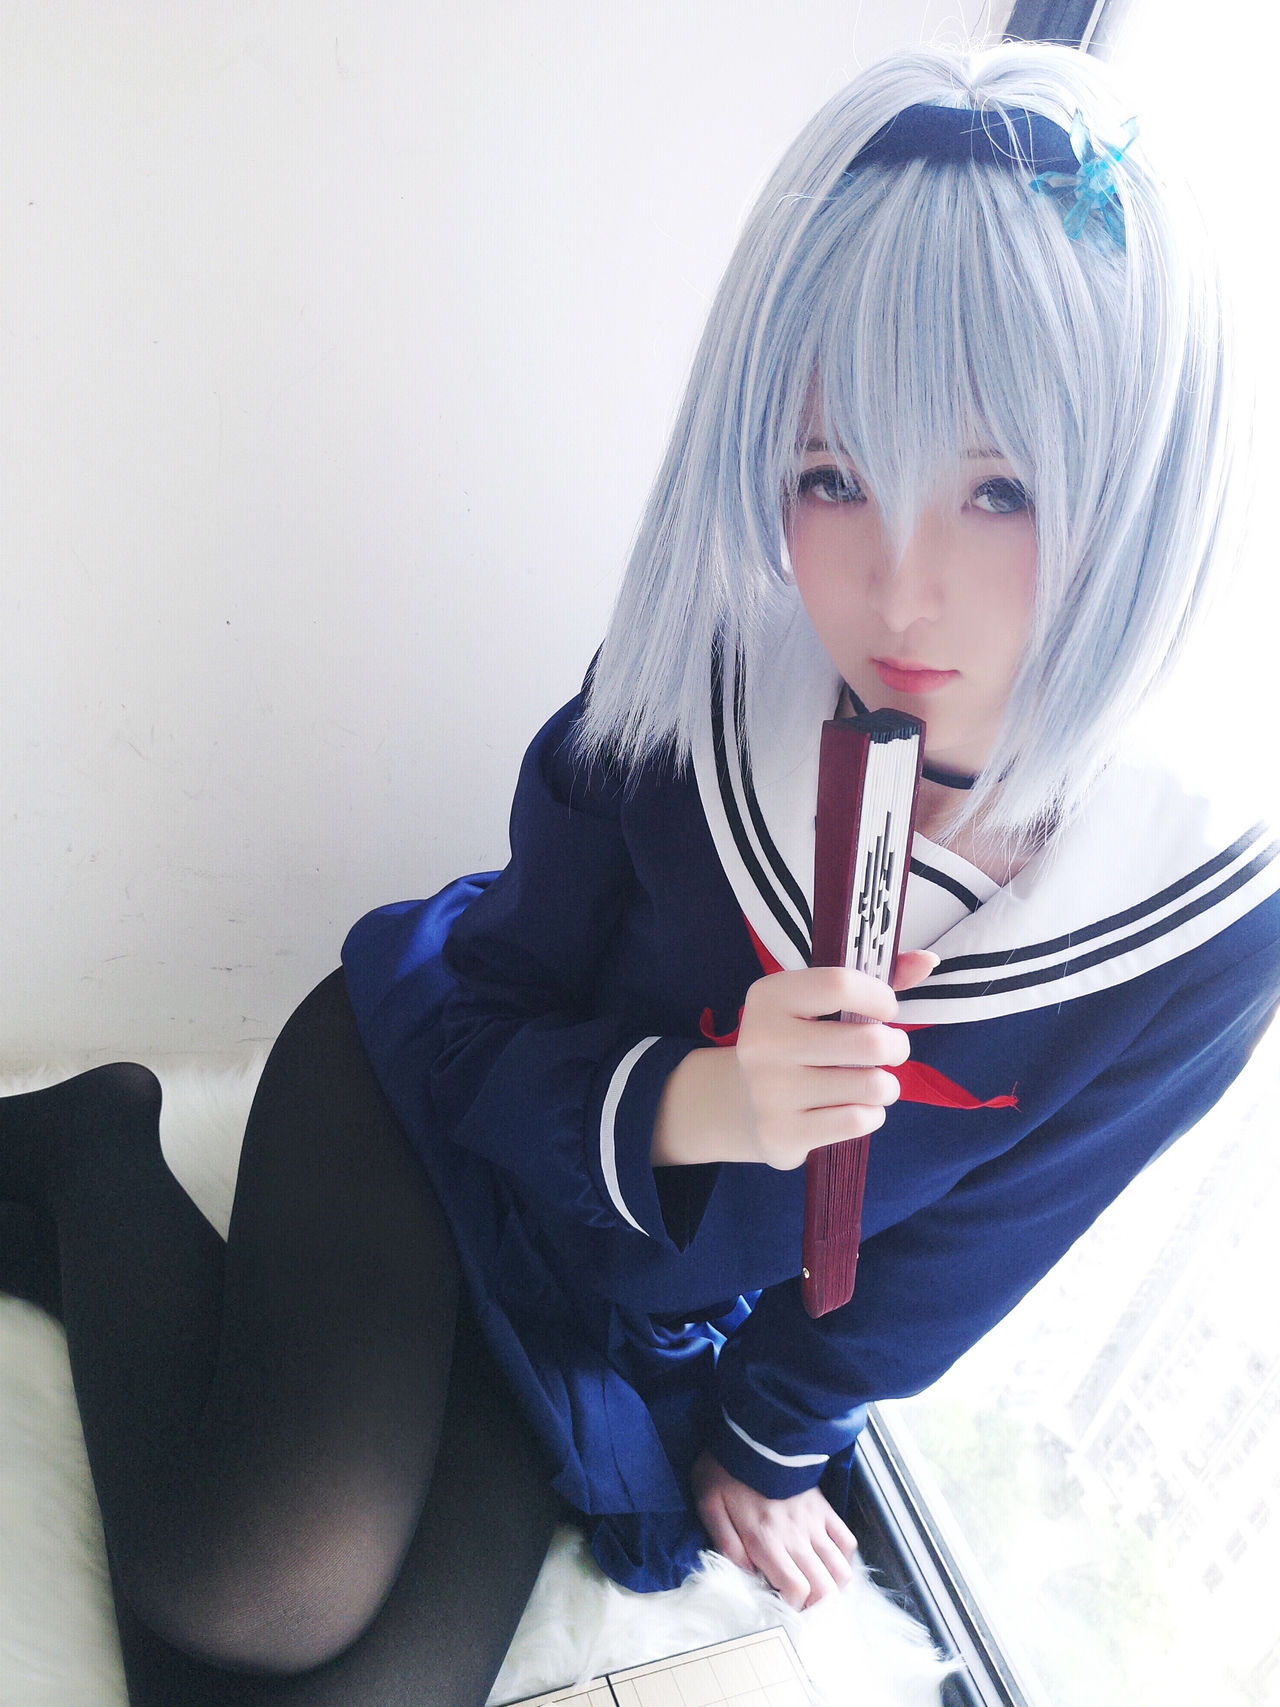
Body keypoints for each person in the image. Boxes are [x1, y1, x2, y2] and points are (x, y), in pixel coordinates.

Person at [4, 36, 1279, 1707]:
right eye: (833, 476)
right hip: (427, 1111)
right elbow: (479, 1010)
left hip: (616, 1311)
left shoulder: (1197, 913)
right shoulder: (704, 678)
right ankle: (96, 1148)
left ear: (1146, 484)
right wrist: (706, 1104)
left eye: (1001, 489)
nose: (901, 588)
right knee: (247, 1590)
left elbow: (982, 1239)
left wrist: (775, 1437)